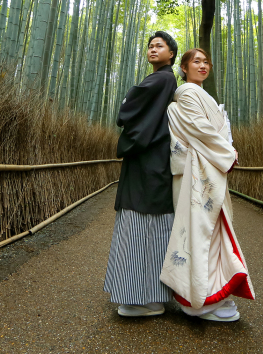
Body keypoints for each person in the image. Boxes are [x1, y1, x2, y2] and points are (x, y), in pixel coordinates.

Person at [160, 48, 255, 322]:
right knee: (200, 233)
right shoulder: (187, 93)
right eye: (196, 62)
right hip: (196, 173)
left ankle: (208, 293)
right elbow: (202, 130)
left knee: (209, 233)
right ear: (184, 68)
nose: (202, 66)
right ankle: (198, 300)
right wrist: (229, 153)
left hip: (204, 169)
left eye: (206, 62)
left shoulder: (199, 95)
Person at [104, 31, 179, 317]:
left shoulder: (162, 78)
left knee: (142, 221)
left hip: (149, 160)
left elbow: (127, 111)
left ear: (171, 54)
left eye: (159, 46)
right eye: (149, 46)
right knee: (154, 225)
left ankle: (143, 298)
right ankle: (152, 295)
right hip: (153, 159)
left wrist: (125, 106)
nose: (152, 49)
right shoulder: (165, 80)